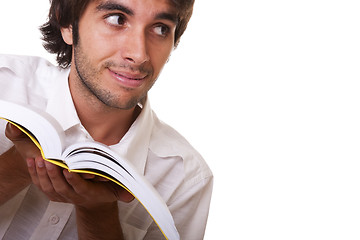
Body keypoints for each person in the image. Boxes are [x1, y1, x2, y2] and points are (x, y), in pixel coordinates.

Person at [0, 0, 213, 239]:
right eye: (117, 19)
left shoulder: (185, 177)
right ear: (68, 24)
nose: (139, 54)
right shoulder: (4, 85)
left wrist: (98, 213)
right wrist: (19, 165)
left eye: (160, 28)